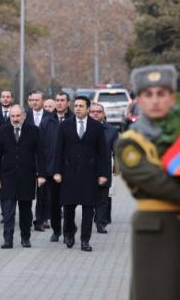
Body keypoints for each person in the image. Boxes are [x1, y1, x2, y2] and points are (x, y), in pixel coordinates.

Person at [115, 64, 180, 300]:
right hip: (156, 232)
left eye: (162, 93)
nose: (155, 101)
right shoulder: (130, 143)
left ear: (172, 97)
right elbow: (160, 184)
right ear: (138, 99)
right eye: (148, 95)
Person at [53, 96, 107, 252]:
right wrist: (57, 171)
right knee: (69, 208)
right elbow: (58, 150)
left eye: (81, 106)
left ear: (88, 108)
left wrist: (103, 174)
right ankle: (69, 234)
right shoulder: (65, 126)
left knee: (88, 209)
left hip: (89, 174)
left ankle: (85, 240)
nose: (77, 108)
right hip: (68, 173)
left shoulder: (96, 127)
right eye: (75, 105)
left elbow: (102, 152)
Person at [0, 105, 45, 249]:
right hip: (7, 177)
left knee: (26, 212)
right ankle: (8, 239)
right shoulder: (4, 130)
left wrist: (41, 175)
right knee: (8, 211)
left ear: (24, 116)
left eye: (17, 116)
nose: (15, 119)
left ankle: (25, 238)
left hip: (27, 176)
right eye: (12, 116)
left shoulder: (34, 131)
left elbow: (40, 154)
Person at [39, 91, 74, 242]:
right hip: (51, 169)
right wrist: (41, 169)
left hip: (70, 169)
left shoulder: (74, 120)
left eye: (62, 100)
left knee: (69, 203)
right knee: (53, 203)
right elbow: (41, 147)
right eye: (57, 100)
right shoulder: (47, 121)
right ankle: (56, 230)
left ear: (68, 102)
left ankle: (68, 232)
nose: (59, 103)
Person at [89, 102, 118, 234]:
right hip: (86, 169)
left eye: (99, 111)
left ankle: (100, 223)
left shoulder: (111, 131)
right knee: (88, 198)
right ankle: (88, 221)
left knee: (103, 199)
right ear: (89, 113)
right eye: (93, 111)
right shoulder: (83, 128)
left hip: (104, 169)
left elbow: (116, 150)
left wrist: (117, 166)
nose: (95, 113)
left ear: (104, 114)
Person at [25, 90, 51, 231]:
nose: (34, 102)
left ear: (42, 101)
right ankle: (27, 219)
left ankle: (41, 220)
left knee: (43, 193)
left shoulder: (50, 117)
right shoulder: (25, 116)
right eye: (32, 100)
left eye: (37, 100)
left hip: (44, 160)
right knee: (28, 192)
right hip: (28, 160)